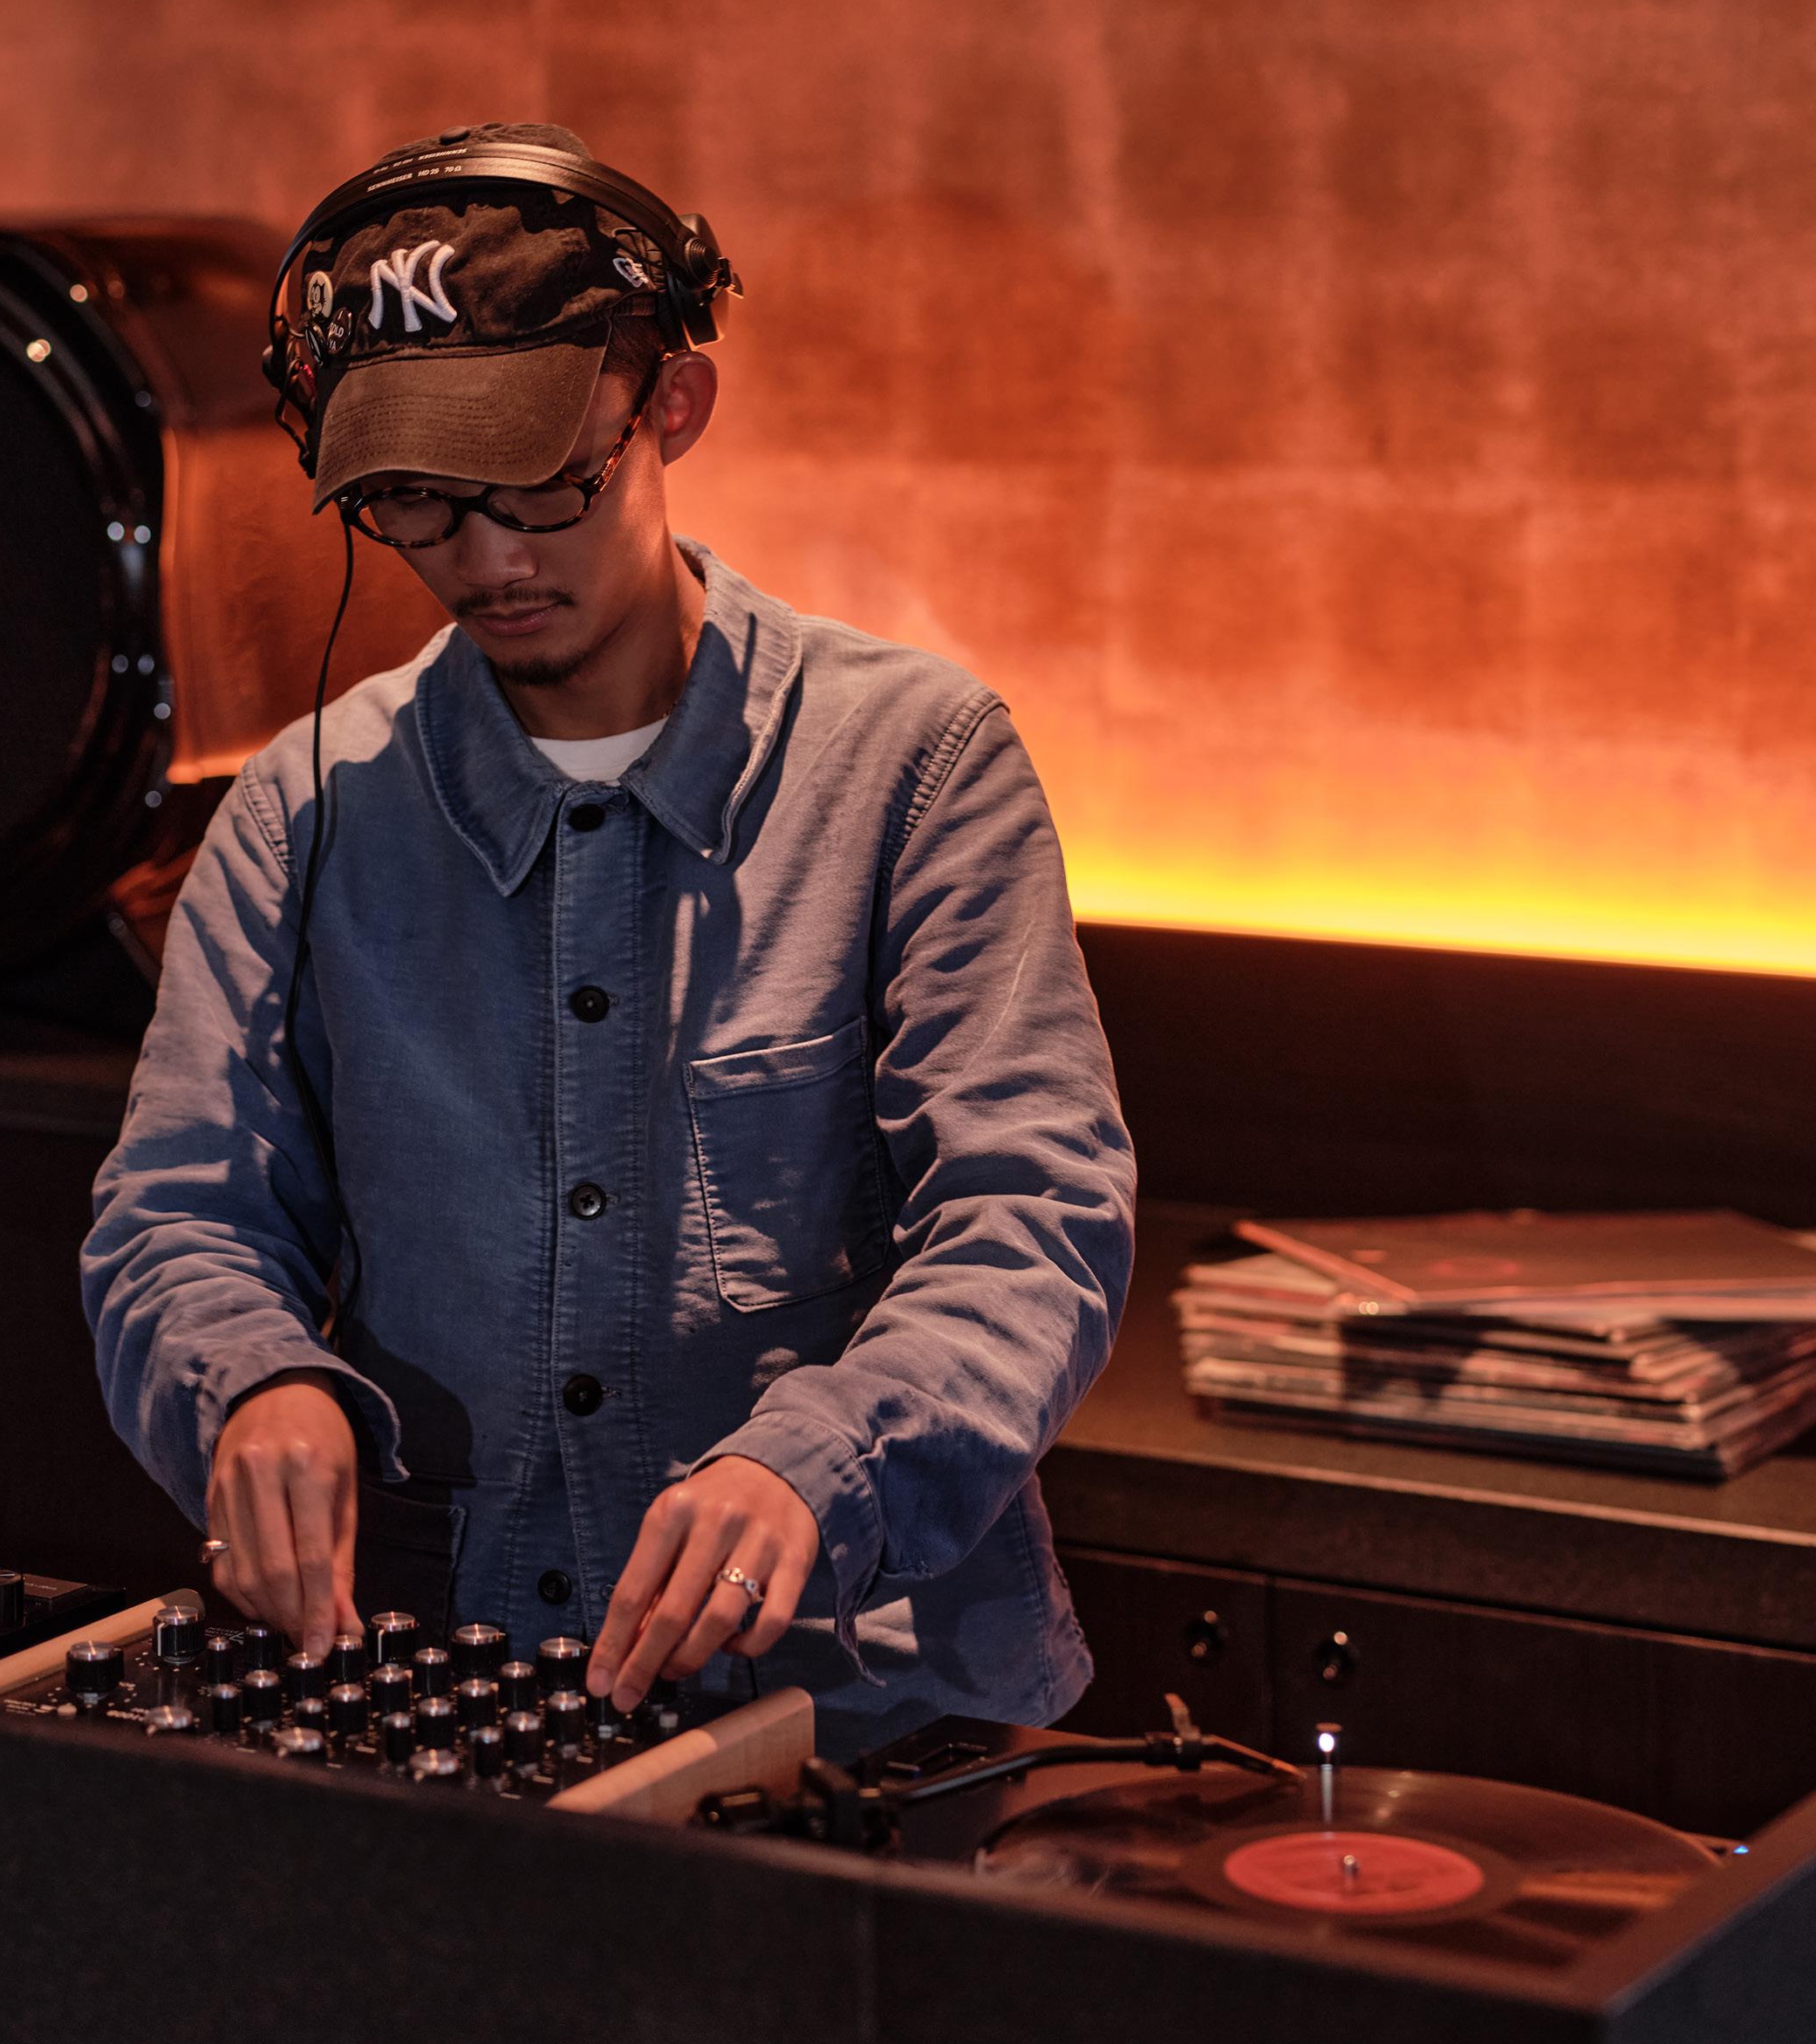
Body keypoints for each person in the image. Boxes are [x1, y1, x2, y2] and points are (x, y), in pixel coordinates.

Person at [83, 124, 1135, 1753]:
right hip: (458, 1691)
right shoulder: (303, 810)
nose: (489, 558)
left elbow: (1031, 1213)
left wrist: (820, 1460)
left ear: (674, 407)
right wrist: (249, 1377)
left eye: (541, 484)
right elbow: (178, 1216)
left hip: (870, 1715)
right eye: (419, 503)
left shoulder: (915, 763)